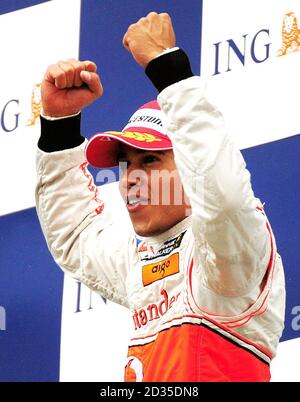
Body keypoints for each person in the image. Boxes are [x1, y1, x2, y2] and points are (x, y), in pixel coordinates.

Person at [36, 12, 285, 382]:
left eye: (150, 160)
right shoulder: (141, 259)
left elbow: (224, 198)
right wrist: (59, 126)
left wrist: (168, 68)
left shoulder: (228, 257)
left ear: (191, 167)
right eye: (125, 164)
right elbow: (75, 236)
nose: (130, 179)